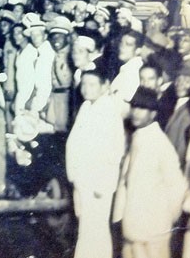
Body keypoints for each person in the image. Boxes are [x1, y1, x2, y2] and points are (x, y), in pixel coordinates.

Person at [114, 87, 187, 258]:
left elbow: (177, 186)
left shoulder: (160, 143)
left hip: (153, 230)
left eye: (142, 108)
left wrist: (164, 220)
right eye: (134, 107)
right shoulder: (138, 137)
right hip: (134, 226)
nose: (136, 113)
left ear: (153, 113)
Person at [65, 69, 125, 258]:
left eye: (92, 84)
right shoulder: (86, 107)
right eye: (84, 84)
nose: (86, 88)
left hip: (98, 184)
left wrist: (103, 183)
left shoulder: (108, 111)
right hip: (83, 180)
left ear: (104, 86)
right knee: (86, 229)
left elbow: (114, 152)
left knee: (95, 231)